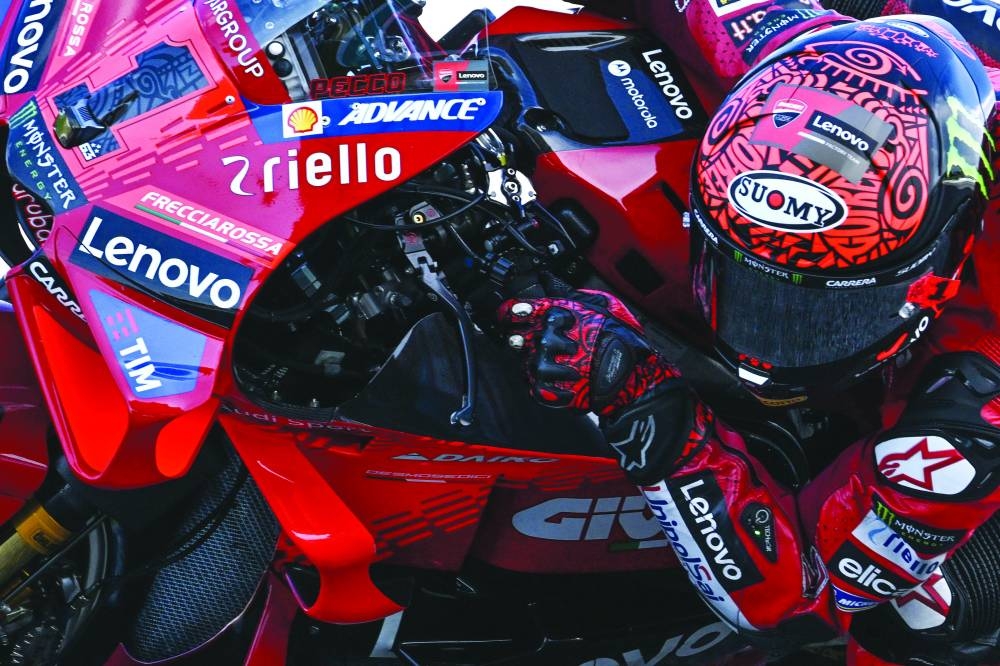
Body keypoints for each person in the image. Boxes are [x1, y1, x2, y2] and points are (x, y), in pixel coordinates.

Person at [498, 0, 1000, 663]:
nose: (770, 341)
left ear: (943, 256)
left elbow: (800, 595)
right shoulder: (775, 42)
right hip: (941, 44)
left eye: (829, 314)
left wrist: (644, 402)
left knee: (912, 615)